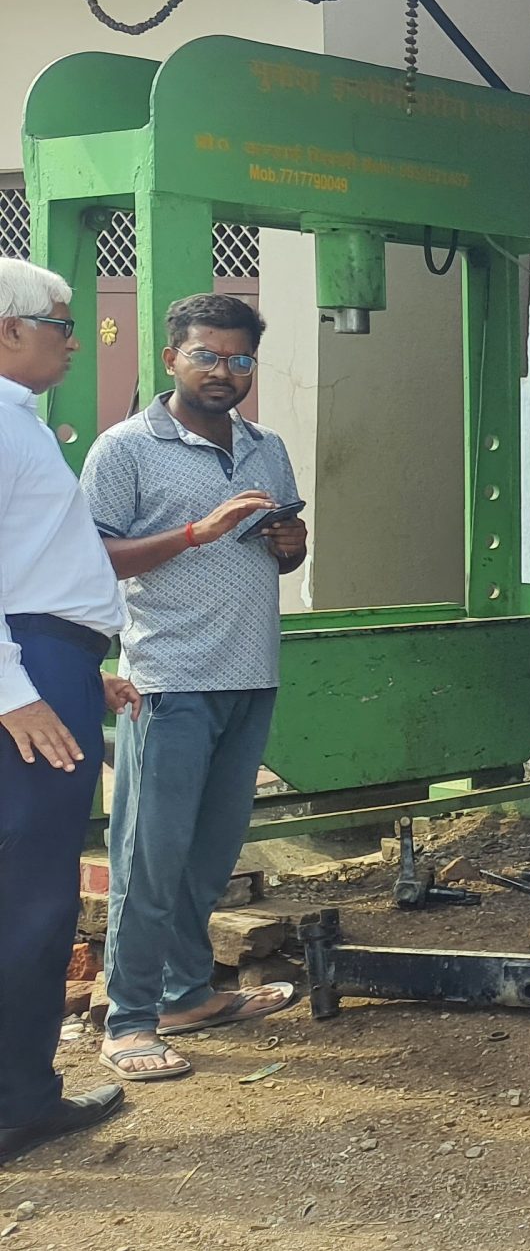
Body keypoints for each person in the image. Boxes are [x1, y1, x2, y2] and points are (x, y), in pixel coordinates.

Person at [80, 295, 305, 1083]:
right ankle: (129, 1019)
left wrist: (291, 542)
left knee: (208, 856)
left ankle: (184, 996)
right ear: (171, 357)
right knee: (150, 859)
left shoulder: (267, 448)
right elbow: (92, 557)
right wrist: (194, 534)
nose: (223, 372)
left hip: (251, 673)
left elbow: (284, 556)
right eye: (206, 355)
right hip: (169, 680)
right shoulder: (126, 449)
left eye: (240, 360)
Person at [0, 259, 140, 1167]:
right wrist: (18, 691)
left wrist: (80, 671)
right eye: (60, 322)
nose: (75, 340)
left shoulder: (19, 421)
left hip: (47, 660)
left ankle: (21, 1091)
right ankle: (17, 1102)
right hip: (25, 668)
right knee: (31, 894)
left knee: (30, 889)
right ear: (9, 329)